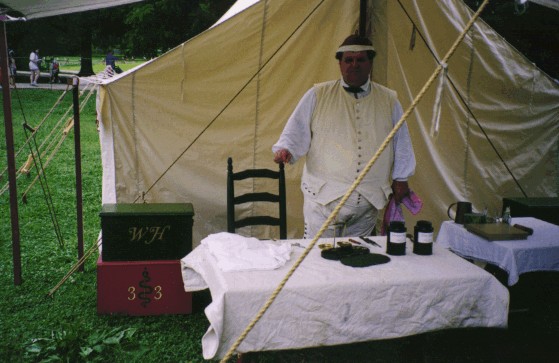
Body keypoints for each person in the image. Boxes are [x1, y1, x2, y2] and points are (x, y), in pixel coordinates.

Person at [272, 34, 416, 238]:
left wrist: (401, 177)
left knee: (359, 261)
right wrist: (287, 149)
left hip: (367, 206)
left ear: (370, 63)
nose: (354, 65)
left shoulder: (389, 100)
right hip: (322, 203)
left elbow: (401, 141)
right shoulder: (317, 95)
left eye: (361, 60)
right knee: (318, 261)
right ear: (340, 63)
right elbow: (295, 130)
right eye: (348, 60)